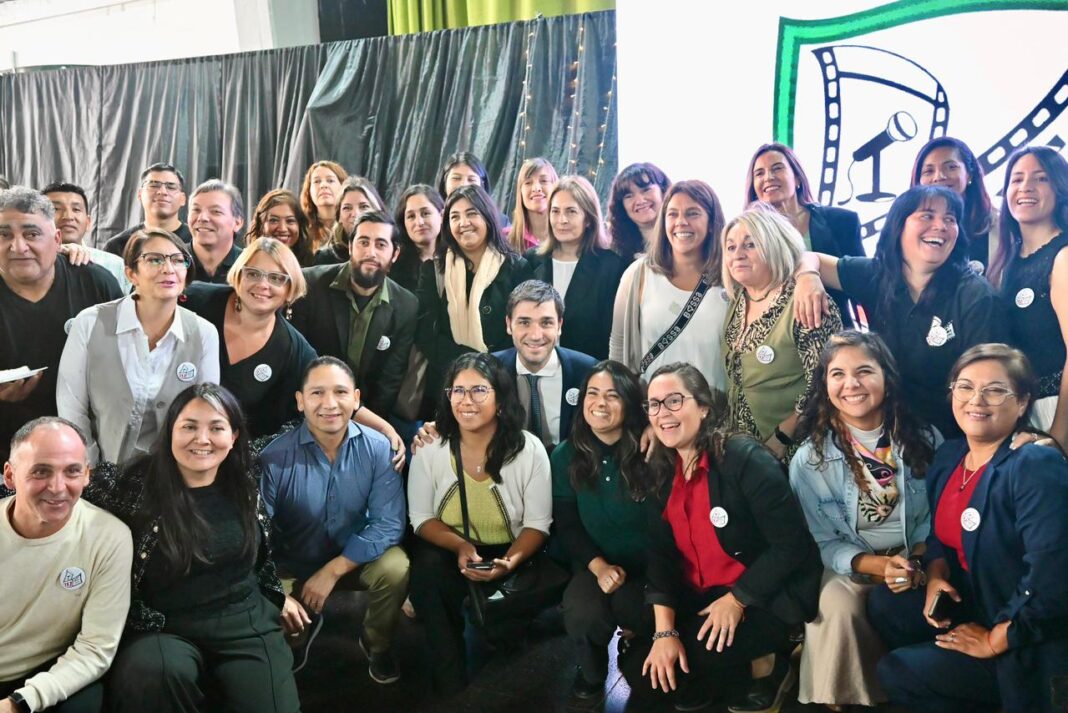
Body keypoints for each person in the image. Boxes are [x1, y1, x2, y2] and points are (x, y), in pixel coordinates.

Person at [866, 344, 1068, 713]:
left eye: (995, 389)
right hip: (976, 599)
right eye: (965, 386)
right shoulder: (950, 456)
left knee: (896, 672)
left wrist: (994, 639)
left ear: (1022, 403)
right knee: (885, 603)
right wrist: (936, 577)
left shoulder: (1033, 464)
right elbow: (939, 540)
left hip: (1027, 627)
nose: (977, 399)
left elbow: (1053, 582)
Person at [84, 384, 301, 713]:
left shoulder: (246, 476)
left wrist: (397, 434)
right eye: (189, 427)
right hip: (162, 626)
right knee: (152, 674)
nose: (202, 439)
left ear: (233, 436)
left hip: (245, 622)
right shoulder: (133, 484)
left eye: (216, 427)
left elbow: (308, 423)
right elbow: (62, 480)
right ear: (170, 430)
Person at [629, 363, 821, 713]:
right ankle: (727, 670)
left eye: (674, 401)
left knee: (688, 662)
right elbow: (659, 555)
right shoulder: (660, 467)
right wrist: (664, 633)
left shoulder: (742, 458)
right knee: (642, 664)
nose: (662, 414)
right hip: (701, 591)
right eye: (654, 405)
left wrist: (738, 599)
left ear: (703, 407)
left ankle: (769, 665)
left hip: (761, 594)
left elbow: (791, 545)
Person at [788, 331, 937, 709]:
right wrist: (876, 566)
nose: (851, 384)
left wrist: (916, 561)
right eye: (837, 374)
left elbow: (936, 521)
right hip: (851, 565)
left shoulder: (925, 439)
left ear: (887, 377)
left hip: (917, 558)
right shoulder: (809, 459)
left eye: (864, 371)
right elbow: (824, 542)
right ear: (825, 384)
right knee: (837, 605)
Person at [796, 184, 1008, 438]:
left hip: (955, 438)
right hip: (889, 431)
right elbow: (809, 258)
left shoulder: (975, 295)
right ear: (899, 225)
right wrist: (808, 277)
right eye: (927, 216)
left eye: (949, 219)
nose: (940, 226)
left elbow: (989, 385)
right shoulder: (878, 275)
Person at [407, 353, 552, 695]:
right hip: (451, 546)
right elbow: (420, 517)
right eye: (457, 391)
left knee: (504, 637)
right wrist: (459, 546)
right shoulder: (431, 447)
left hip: (511, 550)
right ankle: (449, 673)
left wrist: (509, 562)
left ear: (500, 400)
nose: (466, 401)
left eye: (478, 391)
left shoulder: (528, 449)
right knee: (427, 571)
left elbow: (537, 524)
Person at [259, 357, 409, 682]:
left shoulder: (378, 449)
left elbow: (389, 523)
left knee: (396, 568)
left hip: (355, 557)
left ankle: (376, 644)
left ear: (356, 399)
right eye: (317, 393)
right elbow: (256, 536)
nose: (329, 404)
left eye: (340, 392)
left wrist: (334, 570)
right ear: (300, 401)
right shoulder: (273, 459)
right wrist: (275, 590)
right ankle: (297, 637)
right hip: (293, 561)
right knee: (268, 602)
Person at [0, 417, 132, 713]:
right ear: (10, 476)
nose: (58, 487)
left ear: (87, 475)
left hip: (41, 678)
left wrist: (17, 704)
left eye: (72, 471)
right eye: (41, 471)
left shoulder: (109, 537)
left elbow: (95, 648)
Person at [57, 228, 220, 465]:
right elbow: (71, 406)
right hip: (99, 471)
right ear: (131, 273)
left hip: (173, 474)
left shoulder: (204, 332)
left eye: (178, 260)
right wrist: (87, 466)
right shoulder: (90, 322)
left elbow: (207, 410)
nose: (168, 268)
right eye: (155, 259)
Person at [552, 360, 659, 701]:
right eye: (592, 394)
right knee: (582, 612)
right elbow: (567, 525)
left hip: (651, 568)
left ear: (629, 403)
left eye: (612, 395)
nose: (600, 403)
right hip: (596, 562)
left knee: (638, 612)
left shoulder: (653, 449)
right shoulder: (566, 455)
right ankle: (592, 668)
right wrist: (598, 567)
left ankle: (637, 648)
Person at [0, 187, 122, 464]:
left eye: (31, 234)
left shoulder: (95, 284)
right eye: (4, 234)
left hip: (89, 449)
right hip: (6, 451)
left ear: (56, 240)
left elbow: (129, 363)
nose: (18, 246)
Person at [722, 205, 842, 461]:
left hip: (796, 452)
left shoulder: (807, 300)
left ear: (775, 245)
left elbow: (824, 386)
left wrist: (782, 438)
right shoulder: (737, 300)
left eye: (750, 244)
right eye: (730, 247)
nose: (738, 255)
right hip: (743, 453)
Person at [290, 210, 418, 420]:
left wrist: (365, 426)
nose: (371, 252)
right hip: (308, 410)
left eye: (381, 244)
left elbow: (389, 381)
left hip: (367, 417)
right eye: (363, 242)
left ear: (395, 254)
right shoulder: (310, 284)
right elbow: (297, 361)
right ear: (350, 247)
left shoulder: (406, 305)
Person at [183, 238, 315, 439]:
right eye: (253, 274)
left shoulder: (294, 350)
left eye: (276, 278)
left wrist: (382, 429)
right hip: (167, 438)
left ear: (290, 290)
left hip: (236, 455)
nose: (263, 284)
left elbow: (328, 391)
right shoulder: (194, 300)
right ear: (238, 276)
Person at [416, 184, 527, 414]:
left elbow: (522, 328)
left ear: (487, 217)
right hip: (450, 385)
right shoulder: (434, 269)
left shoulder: (516, 268)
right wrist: (468, 366)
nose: (463, 223)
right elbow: (425, 331)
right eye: (455, 217)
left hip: (501, 383)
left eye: (471, 213)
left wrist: (488, 368)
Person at [610, 180, 730, 389]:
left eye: (693, 213)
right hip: (655, 412)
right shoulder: (638, 275)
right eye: (673, 214)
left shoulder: (730, 279)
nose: (681, 222)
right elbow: (619, 348)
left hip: (714, 410)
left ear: (712, 223)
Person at [989, 146, 1068, 449]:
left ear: (1060, 188)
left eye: (1040, 179)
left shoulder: (1062, 257)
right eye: (1016, 179)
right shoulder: (1007, 263)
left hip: (1056, 414)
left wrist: (1059, 438)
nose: (1025, 188)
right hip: (1024, 417)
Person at [744, 142, 864, 324]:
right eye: (759, 173)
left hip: (834, 337)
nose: (768, 177)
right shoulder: (746, 234)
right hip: (773, 342)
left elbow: (861, 286)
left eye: (777, 168)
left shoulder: (841, 222)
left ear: (797, 179)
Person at [523, 176, 627, 360]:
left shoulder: (611, 267)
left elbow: (613, 335)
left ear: (588, 219)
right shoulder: (531, 260)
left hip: (588, 373)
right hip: (536, 369)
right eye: (555, 211)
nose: (561, 220)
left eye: (571, 211)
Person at [41, 181, 129, 289]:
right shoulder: (27, 261)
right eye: (55, 209)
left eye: (76, 209)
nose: (68, 216)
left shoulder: (116, 265)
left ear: (88, 223)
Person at [104, 162, 191, 257]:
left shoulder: (196, 241)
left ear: (183, 199)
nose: (162, 192)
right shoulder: (118, 245)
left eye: (171, 187)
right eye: (153, 185)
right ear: (140, 194)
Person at [314, 176, 386, 265]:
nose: (355, 214)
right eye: (347, 208)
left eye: (364, 207)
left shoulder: (389, 252)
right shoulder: (324, 259)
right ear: (338, 216)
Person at [607, 162, 671, 262]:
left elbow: (705, 273)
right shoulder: (616, 252)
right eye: (629, 196)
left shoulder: (683, 239)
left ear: (663, 191)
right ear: (621, 206)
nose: (640, 201)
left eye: (646, 190)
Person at [186, 179, 245, 284]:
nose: (202, 218)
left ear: (237, 223)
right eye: (196, 210)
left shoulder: (249, 266)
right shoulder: (171, 262)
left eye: (216, 211)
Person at [391, 184, 444, 293]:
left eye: (425, 213)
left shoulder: (457, 256)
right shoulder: (393, 263)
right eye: (411, 216)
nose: (419, 222)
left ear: (442, 215)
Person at [245, 189, 316, 267]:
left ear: (299, 225)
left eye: (290, 221)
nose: (282, 229)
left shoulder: (313, 265)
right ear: (261, 225)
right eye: (274, 220)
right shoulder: (246, 263)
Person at [509, 157, 558, 252]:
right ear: (520, 192)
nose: (536, 188)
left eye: (544, 181)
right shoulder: (504, 239)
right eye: (528, 182)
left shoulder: (568, 239)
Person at [300, 160, 348, 252]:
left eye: (330, 180)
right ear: (308, 191)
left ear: (343, 186)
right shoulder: (301, 230)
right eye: (317, 181)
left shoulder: (353, 226)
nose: (323, 185)